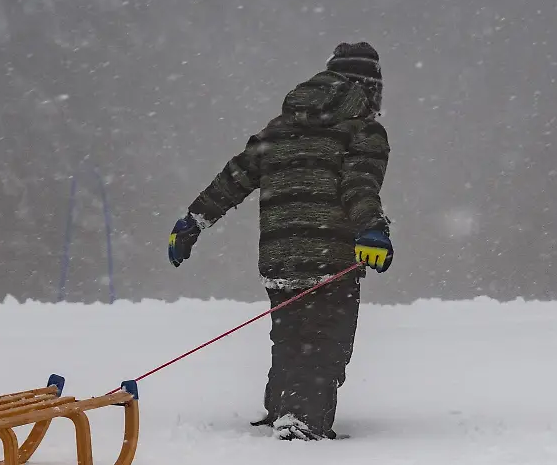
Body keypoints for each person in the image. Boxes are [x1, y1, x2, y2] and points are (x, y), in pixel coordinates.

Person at [168, 41, 394, 441]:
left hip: (280, 256)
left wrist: (194, 220)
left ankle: (282, 410)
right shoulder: (363, 129)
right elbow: (359, 184)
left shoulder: (280, 127)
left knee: (291, 337)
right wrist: (371, 228)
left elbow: (234, 177)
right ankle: (301, 423)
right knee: (326, 343)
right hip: (331, 257)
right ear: (368, 87)